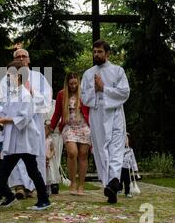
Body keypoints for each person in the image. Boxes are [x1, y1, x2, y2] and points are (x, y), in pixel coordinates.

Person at [0, 61, 50, 211]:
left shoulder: (25, 95)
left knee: (32, 171)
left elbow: (25, 117)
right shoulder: (12, 94)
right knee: (4, 170)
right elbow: (5, 111)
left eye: (10, 74)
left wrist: (6, 120)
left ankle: (44, 199)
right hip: (14, 140)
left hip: (25, 140)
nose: (8, 77)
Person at [81, 39, 130, 204]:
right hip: (98, 114)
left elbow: (124, 93)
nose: (96, 54)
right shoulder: (88, 74)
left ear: (107, 53)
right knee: (102, 150)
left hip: (115, 113)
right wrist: (94, 90)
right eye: (94, 52)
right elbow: (83, 97)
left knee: (116, 148)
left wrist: (105, 89)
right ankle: (110, 184)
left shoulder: (118, 71)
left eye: (99, 52)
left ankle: (113, 182)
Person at [0, 48, 52, 199]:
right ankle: (19, 187)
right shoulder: (7, 79)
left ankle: (32, 188)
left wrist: (32, 93)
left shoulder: (39, 77)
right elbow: (2, 99)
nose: (21, 59)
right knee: (13, 158)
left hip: (33, 121)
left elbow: (47, 98)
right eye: (18, 57)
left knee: (31, 159)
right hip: (13, 124)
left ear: (29, 59)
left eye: (24, 56)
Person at [50, 72, 91, 195]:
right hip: (69, 127)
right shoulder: (62, 94)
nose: (73, 86)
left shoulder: (84, 94)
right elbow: (57, 113)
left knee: (83, 155)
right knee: (72, 153)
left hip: (84, 126)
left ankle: (81, 185)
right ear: (67, 83)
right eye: (71, 83)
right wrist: (51, 127)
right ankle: (73, 183)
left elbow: (92, 110)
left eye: (75, 83)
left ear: (78, 83)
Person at [44, 98, 63, 194]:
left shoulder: (56, 103)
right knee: (48, 160)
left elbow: (62, 116)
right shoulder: (41, 104)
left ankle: (55, 181)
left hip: (57, 134)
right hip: (46, 135)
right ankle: (48, 182)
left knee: (57, 158)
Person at [119, 133, 140, 198]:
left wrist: (135, 170)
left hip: (127, 168)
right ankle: (119, 189)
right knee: (120, 180)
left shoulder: (130, 150)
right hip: (120, 167)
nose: (125, 141)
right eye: (124, 139)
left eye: (126, 139)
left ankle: (127, 192)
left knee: (127, 181)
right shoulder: (119, 149)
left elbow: (133, 160)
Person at [44, 121, 55, 196]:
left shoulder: (50, 140)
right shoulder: (39, 140)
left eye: (45, 130)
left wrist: (49, 156)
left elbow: (53, 150)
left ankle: (48, 188)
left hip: (48, 158)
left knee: (48, 174)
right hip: (42, 159)